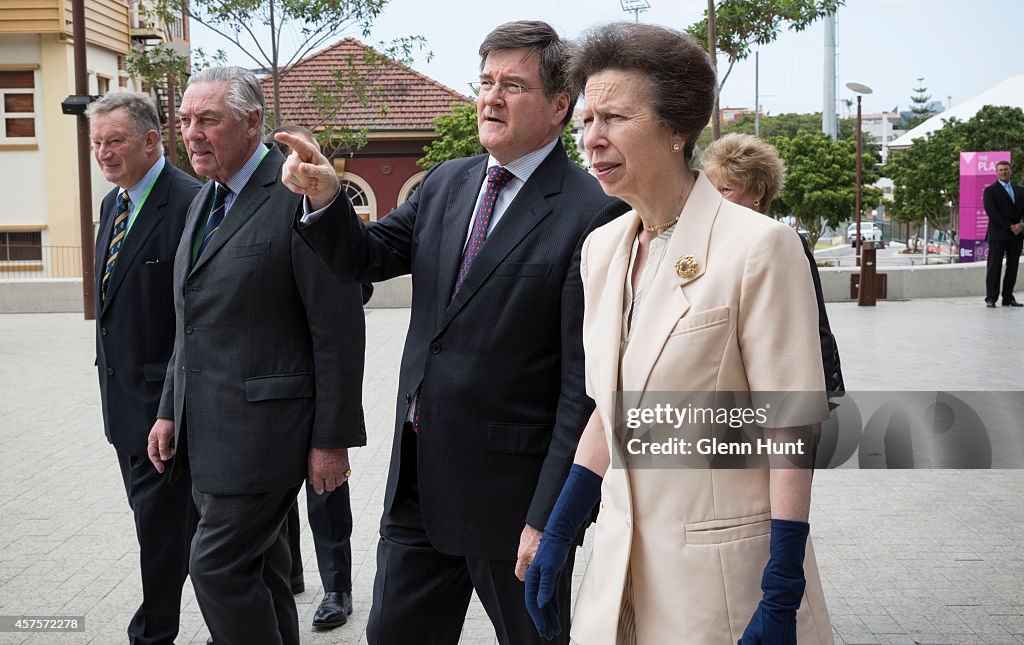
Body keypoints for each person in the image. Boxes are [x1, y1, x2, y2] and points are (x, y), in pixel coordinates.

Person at [279, 20, 628, 645]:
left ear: (558, 106)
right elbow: (368, 256)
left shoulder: (593, 213)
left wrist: (552, 516)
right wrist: (329, 198)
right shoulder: (447, 181)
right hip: (420, 480)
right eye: (486, 81)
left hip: (513, 500)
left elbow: (585, 389)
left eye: (513, 85)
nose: (490, 97)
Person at [525, 23, 834, 644]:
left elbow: (790, 425)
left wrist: (782, 586)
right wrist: (562, 524)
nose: (592, 138)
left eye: (614, 117)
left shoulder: (759, 247)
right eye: (586, 119)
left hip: (722, 583)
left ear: (677, 129)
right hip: (620, 571)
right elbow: (612, 409)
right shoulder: (601, 248)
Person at [146, 67, 367, 645]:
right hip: (208, 431)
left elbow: (338, 327)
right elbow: (191, 319)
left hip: (268, 433)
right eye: (185, 120)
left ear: (251, 123)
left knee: (215, 568)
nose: (191, 133)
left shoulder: (295, 193)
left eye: (207, 120)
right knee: (263, 571)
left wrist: (332, 438)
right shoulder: (207, 197)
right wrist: (170, 407)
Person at [89, 91, 201, 645]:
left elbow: (192, 317)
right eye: (96, 144)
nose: (104, 154)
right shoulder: (115, 204)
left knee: (161, 535)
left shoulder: (189, 203)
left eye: (115, 142)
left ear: (153, 140)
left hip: (167, 412)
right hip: (123, 407)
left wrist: (170, 407)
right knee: (180, 529)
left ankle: (152, 634)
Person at [264, 124, 370, 629]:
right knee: (277, 492)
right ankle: (293, 573)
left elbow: (350, 293)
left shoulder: (311, 209)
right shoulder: (245, 208)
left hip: (316, 385)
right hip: (266, 390)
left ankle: (338, 588)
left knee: (326, 491)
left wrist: (335, 428)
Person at [702, 133, 845, 392]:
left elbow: (813, 330)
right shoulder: (707, 242)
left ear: (758, 191)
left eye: (725, 190)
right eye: (711, 191)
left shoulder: (780, 242)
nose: (714, 201)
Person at [983, 160, 1023, 307]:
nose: (1003, 172)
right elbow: (992, 212)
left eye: (1006, 169)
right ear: (996, 172)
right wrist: (1010, 226)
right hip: (998, 235)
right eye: (1000, 170)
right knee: (994, 267)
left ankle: (1008, 297)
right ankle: (991, 298)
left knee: (1012, 267)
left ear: (1010, 171)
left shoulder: (1020, 190)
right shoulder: (990, 191)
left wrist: (1021, 225)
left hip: (1017, 235)